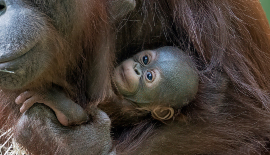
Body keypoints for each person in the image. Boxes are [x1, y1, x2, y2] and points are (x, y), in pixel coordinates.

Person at [16, 46, 200, 126]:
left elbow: (85, 117)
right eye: (145, 59)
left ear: (160, 111)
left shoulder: (126, 108)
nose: (136, 68)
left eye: (149, 76)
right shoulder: (117, 76)